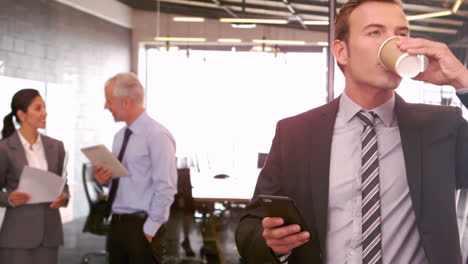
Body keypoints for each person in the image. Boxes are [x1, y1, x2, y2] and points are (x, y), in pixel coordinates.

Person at [235, 0, 468, 263]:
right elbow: (249, 225)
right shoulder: (295, 133)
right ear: (341, 51)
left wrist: (462, 79)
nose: (394, 43)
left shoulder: (440, 127)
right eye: (374, 32)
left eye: (401, 34)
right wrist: (274, 244)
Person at [94, 72, 177, 264]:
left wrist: (149, 229)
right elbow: (129, 182)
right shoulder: (119, 136)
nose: (106, 106)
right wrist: (106, 180)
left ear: (126, 102)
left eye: (109, 101)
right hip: (117, 226)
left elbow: (166, 187)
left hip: (142, 227)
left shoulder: (157, 136)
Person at [0, 89, 69, 264]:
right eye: (38, 108)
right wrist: (9, 198)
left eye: (44, 108)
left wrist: (64, 197)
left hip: (49, 234)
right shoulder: (4, 149)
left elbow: (62, 184)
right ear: (22, 115)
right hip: (17, 236)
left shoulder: (56, 146)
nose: (44, 113)